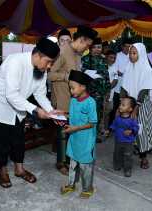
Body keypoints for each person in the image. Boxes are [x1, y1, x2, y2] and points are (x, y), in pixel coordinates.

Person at [0, 38, 61, 188]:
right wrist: (35, 110)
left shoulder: (41, 69)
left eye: (51, 63)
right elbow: (11, 95)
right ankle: (2, 171)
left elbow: (40, 94)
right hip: (1, 104)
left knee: (18, 138)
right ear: (38, 55)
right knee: (1, 140)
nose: (49, 66)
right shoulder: (15, 62)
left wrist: (51, 112)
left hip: (20, 104)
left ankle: (19, 169)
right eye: (48, 62)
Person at [48, 26, 98, 175]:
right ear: (81, 40)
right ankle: (61, 163)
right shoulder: (62, 51)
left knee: (72, 129)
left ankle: (70, 158)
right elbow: (49, 74)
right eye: (87, 45)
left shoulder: (77, 54)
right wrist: (65, 76)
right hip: (61, 97)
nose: (87, 48)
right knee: (63, 131)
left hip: (74, 98)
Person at [60, 70, 97, 199]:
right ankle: (71, 184)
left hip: (86, 141)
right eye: (70, 88)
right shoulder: (73, 100)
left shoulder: (90, 102)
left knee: (85, 167)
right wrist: (62, 114)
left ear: (83, 87)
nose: (71, 91)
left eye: (73, 88)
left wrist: (75, 128)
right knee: (72, 164)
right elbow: (72, 115)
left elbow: (92, 123)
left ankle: (88, 188)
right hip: (74, 139)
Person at [121, 43, 152, 169]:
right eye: (130, 53)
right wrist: (123, 103)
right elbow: (124, 86)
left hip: (141, 104)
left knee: (141, 130)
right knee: (129, 128)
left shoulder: (147, 69)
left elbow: (144, 89)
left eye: (134, 53)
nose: (131, 55)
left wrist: (136, 107)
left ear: (140, 54)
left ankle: (144, 157)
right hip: (130, 103)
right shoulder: (128, 67)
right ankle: (133, 148)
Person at [82, 37, 110, 142]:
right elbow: (82, 74)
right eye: (95, 47)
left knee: (98, 114)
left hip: (101, 93)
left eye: (100, 47)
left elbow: (106, 76)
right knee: (88, 114)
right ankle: (87, 135)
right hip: (89, 93)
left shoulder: (103, 59)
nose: (98, 49)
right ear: (90, 48)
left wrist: (107, 90)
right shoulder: (85, 59)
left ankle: (96, 134)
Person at [110, 97, 139, 177]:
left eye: (123, 105)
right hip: (118, 140)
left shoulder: (132, 119)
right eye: (120, 104)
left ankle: (127, 169)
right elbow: (114, 125)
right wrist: (109, 130)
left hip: (128, 142)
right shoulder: (117, 118)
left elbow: (136, 127)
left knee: (128, 155)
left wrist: (131, 131)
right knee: (117, 153)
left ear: (130, 109)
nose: (120, 106)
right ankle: (117, 165)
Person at [111, 38, 133, 134]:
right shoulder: (118, 56)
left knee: (128, 106)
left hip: (130, 86)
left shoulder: (132, 55)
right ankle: (114, 126)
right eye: (126, 46)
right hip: (118, 86)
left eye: (130, 46)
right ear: (122, 46)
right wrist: (124, 73)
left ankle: (126, 126)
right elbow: (117, 71)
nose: (128, 48)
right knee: (117, 107)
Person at [105, 50, 118, 135]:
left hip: (110, 94)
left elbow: (115, 80)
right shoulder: (102, 66)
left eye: (114, 58)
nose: (113, 59)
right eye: (111, 57)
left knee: (108, 112)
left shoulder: (114, 67)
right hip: (102, 94)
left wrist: (108, 89)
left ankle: (106, 130)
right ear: (106, 57)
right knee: (102, 113)